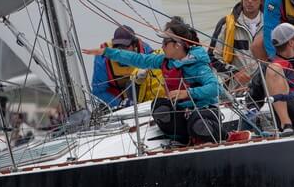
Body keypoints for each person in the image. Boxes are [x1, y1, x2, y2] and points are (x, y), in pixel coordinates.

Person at [83, 21, 223, 145]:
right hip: (181, 112)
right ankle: (180, 140)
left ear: (178, 45)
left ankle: (207, 140)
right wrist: (106, 52)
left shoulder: (197, 64)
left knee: (198, 124)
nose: (162, 46)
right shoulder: (164, 61)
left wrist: (186, 93)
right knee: (159, 107)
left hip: (202, 110)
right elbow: (137, 59)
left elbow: (216, 87)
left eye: (165, 43)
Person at [208, 0, 266, 88]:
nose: (249, 1)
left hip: (266, 89)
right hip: (236, 89)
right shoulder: (226, 24)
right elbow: (212, 58)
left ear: (261, 0)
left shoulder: (270, 25)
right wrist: (234, 73)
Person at [89, 25, 163, 109]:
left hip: (142, 104)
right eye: (117, 46)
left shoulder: (146, 52)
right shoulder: (103, 59)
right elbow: (98, 91)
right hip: (116, 107)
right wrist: (120, 103)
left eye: (125, 46)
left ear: (134, 45)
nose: (120, 51)